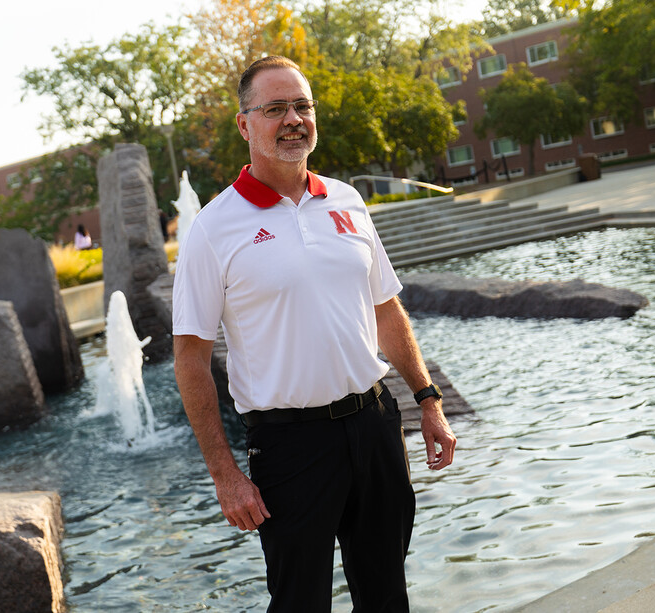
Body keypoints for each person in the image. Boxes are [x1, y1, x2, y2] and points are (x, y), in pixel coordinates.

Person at [172, 56, 457, 612]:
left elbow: (387, 310)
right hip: (289, 445)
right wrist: (225, 475)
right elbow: (190, 359)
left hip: (375, 426)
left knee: (386, 594)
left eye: (302, 106)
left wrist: (428, 400)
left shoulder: (347, 201)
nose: (292, 119)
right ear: (245, 124)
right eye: (275, 108)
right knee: (300, 602)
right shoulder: (213, 228)